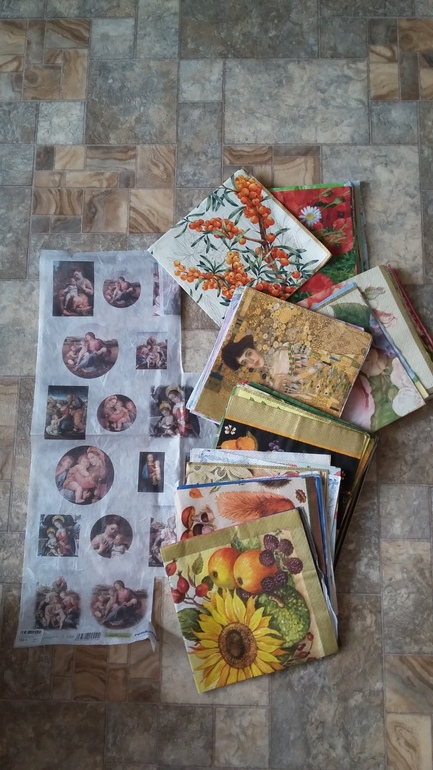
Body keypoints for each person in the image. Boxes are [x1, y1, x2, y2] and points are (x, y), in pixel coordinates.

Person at [221, 332, 347, 403]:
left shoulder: (287, 349)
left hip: (337, 380)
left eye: (249, 354)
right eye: (245, 362)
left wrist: (295, 377)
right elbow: (300, 402)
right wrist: (277, 391)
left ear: (254, 348)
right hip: (325, 402)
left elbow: (323, 359)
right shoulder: (270, 383)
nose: (252, 361)